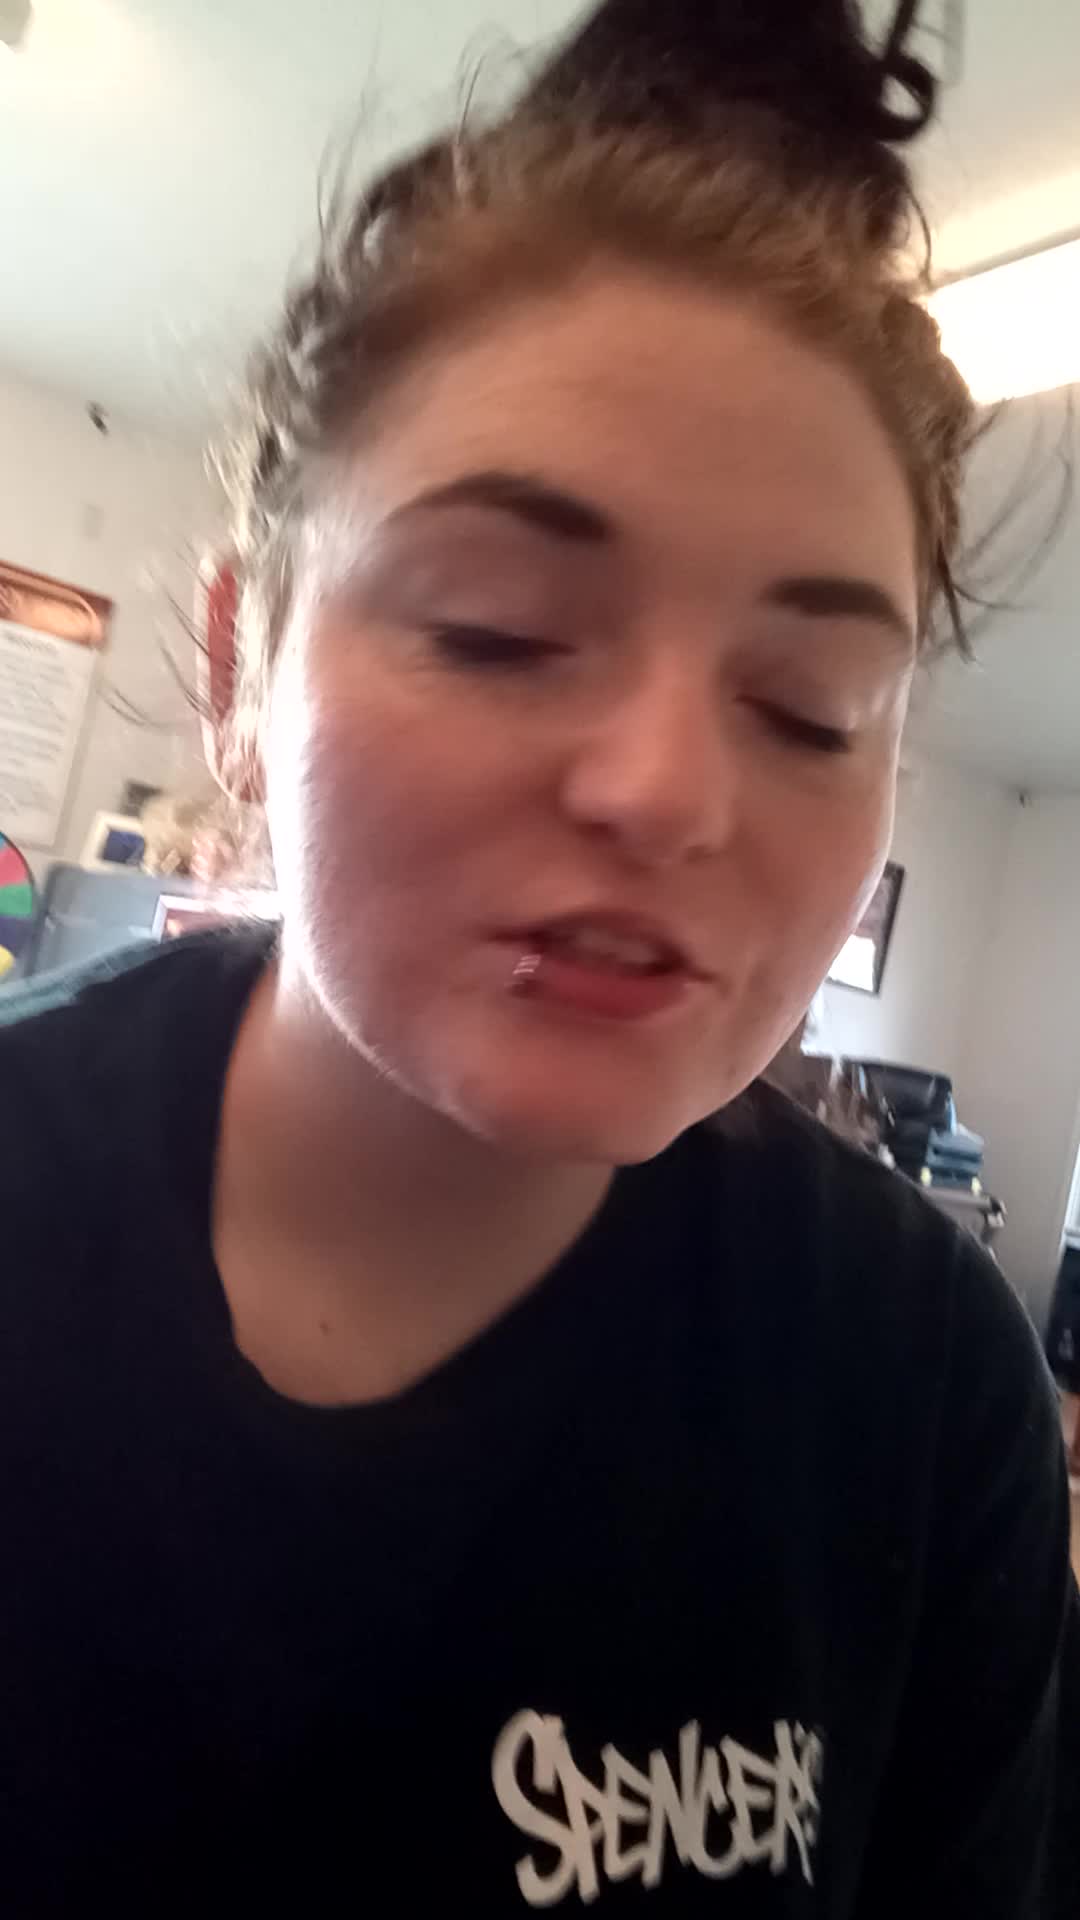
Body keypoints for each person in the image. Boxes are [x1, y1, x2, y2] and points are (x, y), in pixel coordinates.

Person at [2, 1, 1075, 1913]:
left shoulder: (917, 1399)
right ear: (243, 664)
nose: (666, 792)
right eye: (498, 630)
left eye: (811, 707)